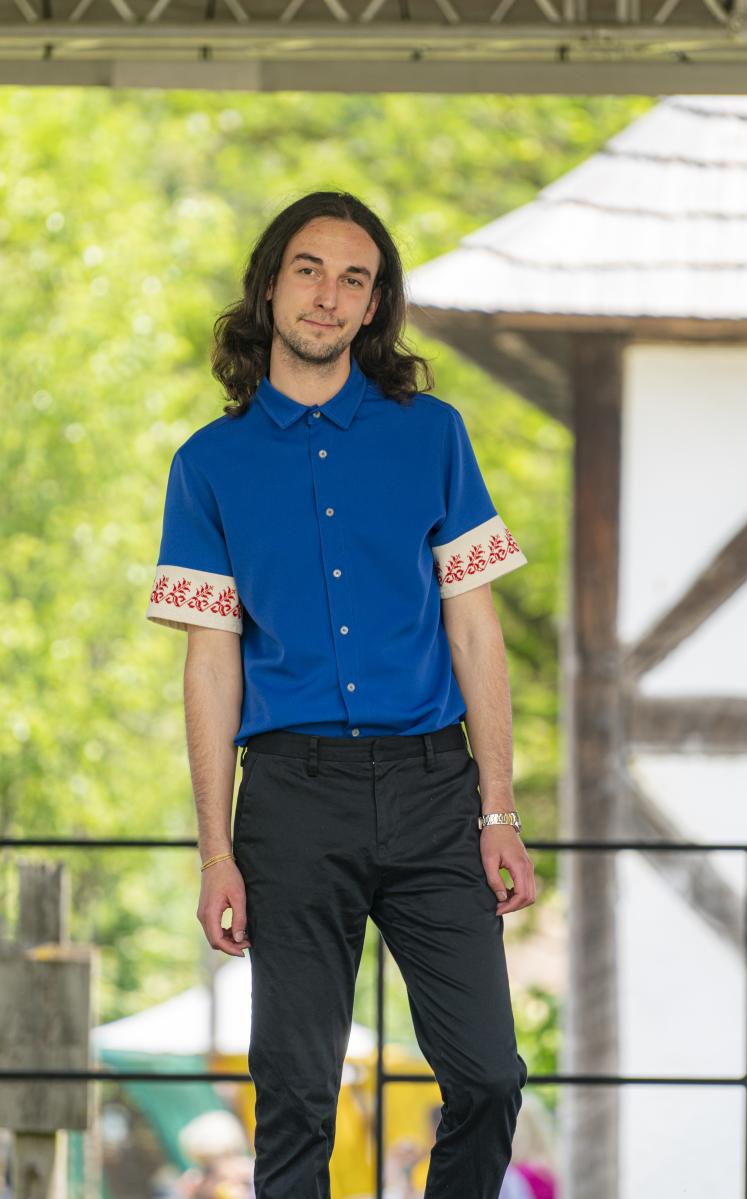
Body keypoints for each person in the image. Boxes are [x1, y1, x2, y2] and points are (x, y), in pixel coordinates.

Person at [146, 189, 536, 1199]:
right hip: (291, 797)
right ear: (270, 286)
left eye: (353, 279)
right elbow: (210, 664)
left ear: (373, 307)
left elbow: (474, 629)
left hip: (433, 789)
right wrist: (215, 850)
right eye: (309, 270)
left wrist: (497, 807)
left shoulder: (434, 436)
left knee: (489, 1077)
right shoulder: (207, 465)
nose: (328, 294)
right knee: (295, 1095)